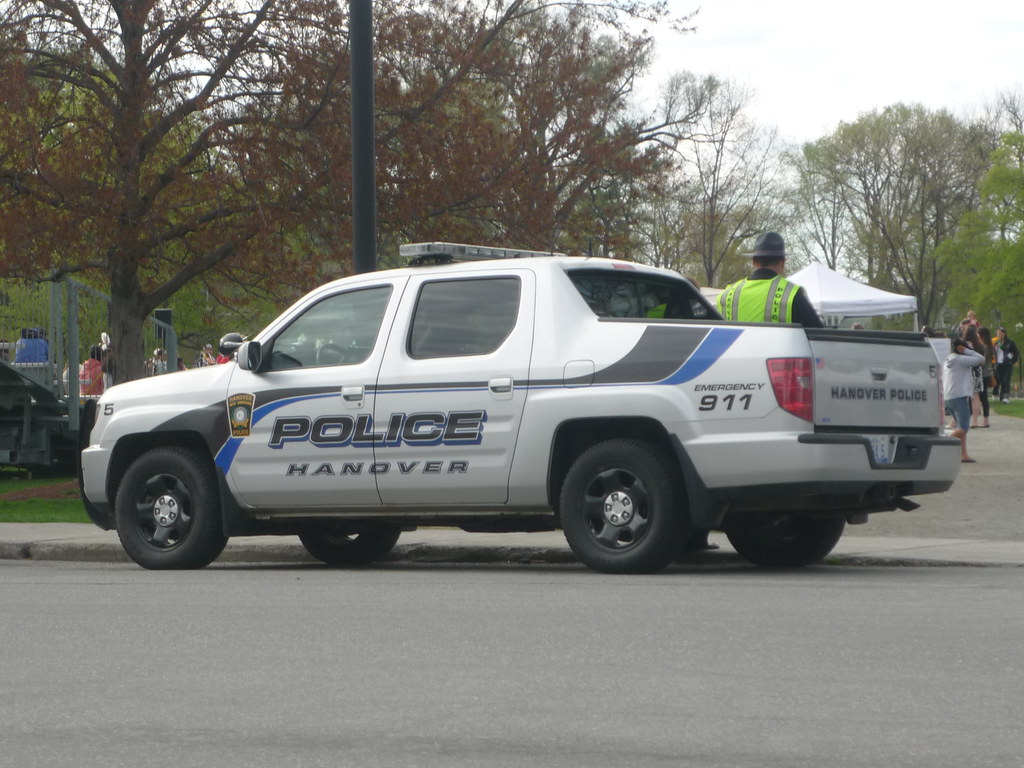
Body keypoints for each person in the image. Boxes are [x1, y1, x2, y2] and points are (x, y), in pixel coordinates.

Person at [717, 232, 824, 328]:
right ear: (782, 263)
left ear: (753, 262)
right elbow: (818, 336)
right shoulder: (792, 294)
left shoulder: (726, 295)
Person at [944, 337, 984, 463]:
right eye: (965, 347)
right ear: (960, 348)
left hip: (949, 397)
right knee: (964, 428)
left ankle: (963, 454)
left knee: (961, 428)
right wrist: (967, 351)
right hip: (959, 396)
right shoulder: (960, 359)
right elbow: (981, 359)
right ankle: (942, 443)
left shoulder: (949, 359)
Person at [994, 327, 1019, 404]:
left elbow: (1016, 353)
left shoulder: (1010, 342)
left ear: (1004, 333)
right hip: (999, 364)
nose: (999, 334)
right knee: (1001, 381)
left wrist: (1012, 361)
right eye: (998, 333)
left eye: (1000, 333)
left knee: (1006, 380)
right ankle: (1002, 396)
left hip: (1007, 364)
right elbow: (995, 353)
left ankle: (1006, 397)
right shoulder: (997, 343)